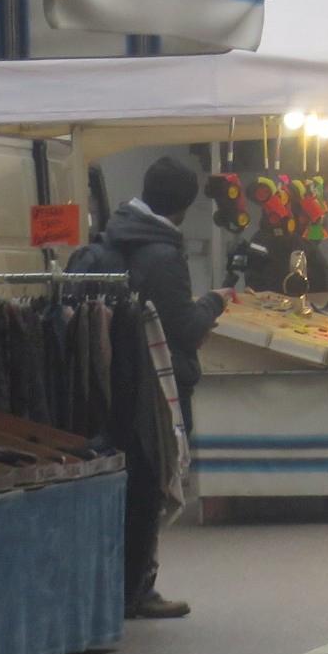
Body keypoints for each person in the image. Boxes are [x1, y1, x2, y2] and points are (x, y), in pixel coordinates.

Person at [104, 156, 233, 620]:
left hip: (120, 377)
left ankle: (125, 582)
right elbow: (184, 329)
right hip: (160, 385)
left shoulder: (117, 235)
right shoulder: (161, 253)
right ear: (182, 207)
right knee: (153, 484)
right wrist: (216, 301)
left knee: (132, 483)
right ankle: (138, 585)